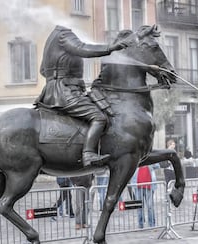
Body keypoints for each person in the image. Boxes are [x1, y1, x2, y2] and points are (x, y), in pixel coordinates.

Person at [33, 25, 131, 167]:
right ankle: (88, 154)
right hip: (64, 92)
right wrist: (111, 47)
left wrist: (57, 75)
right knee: (99, 117)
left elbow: (43, 70)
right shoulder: (64, 35)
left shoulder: (51, 39)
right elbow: (83, 48)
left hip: (54, 90)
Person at [130, 163, 159, 228]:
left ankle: (152, 224)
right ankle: (140, 224)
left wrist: (151, 161)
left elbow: (157, 166)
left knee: (150, 206)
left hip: (149, 185)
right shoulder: (136, 158)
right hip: (137, 186)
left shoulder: (150, 156)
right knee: (139, 206)